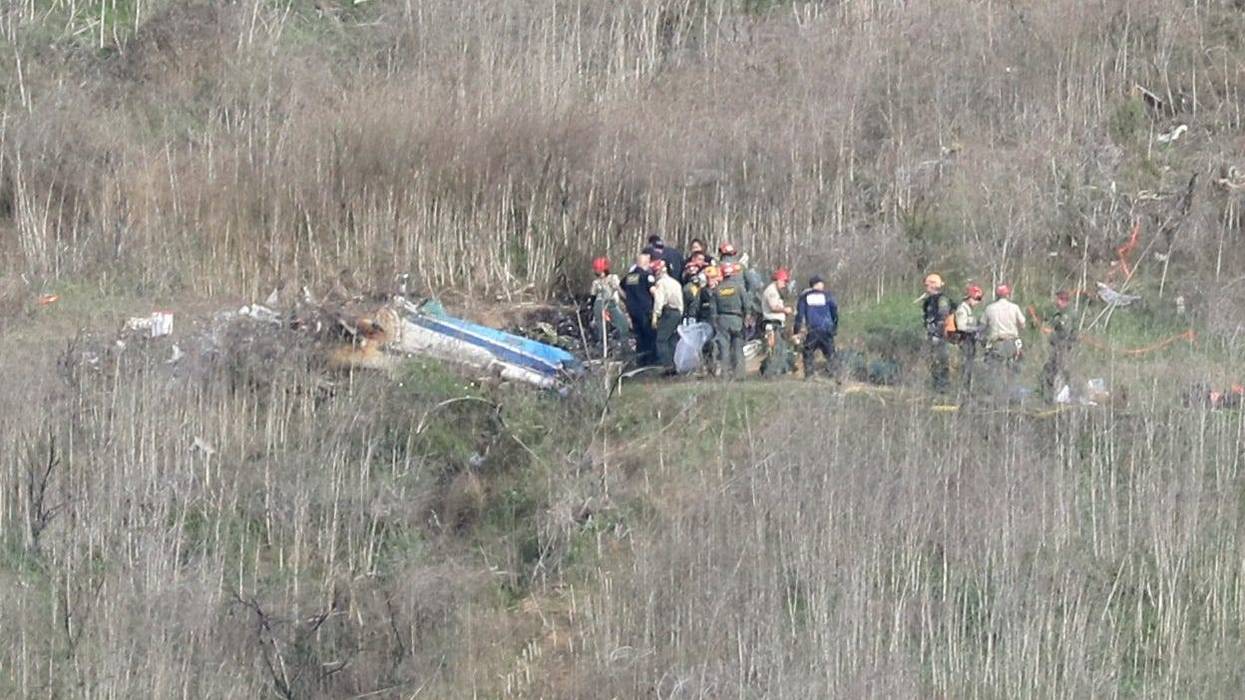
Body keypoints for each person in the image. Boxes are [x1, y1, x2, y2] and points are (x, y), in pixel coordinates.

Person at [794, 275, 839, 381]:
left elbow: (799, 315)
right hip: (826, 329)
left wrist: (796, 330)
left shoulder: (804, 297)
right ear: (818, 284)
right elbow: (835, 313)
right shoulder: (828, 296)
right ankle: (834, 375)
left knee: (808, 352)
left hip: (812, 329)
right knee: (830, 353)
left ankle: (809, 375)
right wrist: (835, 327)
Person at [982, 283, 1027, 388]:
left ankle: (996, 394)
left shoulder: (989, 308)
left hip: (996, 343)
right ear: (1008, 295)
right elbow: (1023, 324)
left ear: (997, 295)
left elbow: (982, 326)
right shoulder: (1014, 307)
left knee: (995, 371)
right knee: (1014, 370)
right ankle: (1012, 393)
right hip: (1012, 343)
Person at [708, 262, 749, 378]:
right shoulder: (739, 287)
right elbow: (746, 304)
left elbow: (713, 309)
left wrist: (715, 322)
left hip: (722, 320)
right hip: (737, 319)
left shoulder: (717, 289)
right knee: (737, 347)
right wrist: (747, 316)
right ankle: (739, 374)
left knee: (724, 347)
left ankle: (725, 375)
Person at [589, 257, 632, 358]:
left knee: (621, 325)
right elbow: (592, 297)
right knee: (608, 328)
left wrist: (627, 299)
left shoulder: (612, 278)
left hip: (608, 304)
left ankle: (619, 348)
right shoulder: (596, 282)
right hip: (602, 305)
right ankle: (606, 350)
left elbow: (618, 289)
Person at [621, 249, 657, 366]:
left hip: (633, 311)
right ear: (647, 263)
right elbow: (653, 291)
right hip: (645, 310)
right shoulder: (647, 276)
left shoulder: (630, 277)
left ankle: (640, 361)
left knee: (639, 337)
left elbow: (621, 288)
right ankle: (649, 361)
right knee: (649, 336)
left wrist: (627, 300)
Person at [1040, 290, 1077, 399]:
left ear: (1063, 301)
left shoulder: (1067, 315)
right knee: (1049, 371)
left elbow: (1065, 332)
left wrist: (1051, 332)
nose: (1056, 302)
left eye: (1059, 300)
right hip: (1057, 347)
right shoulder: (1058, 314)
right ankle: (1051, 396)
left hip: (1063, 348)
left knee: (1061, 372)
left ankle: (1064, 397)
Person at [650, 259, 685, 371]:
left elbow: (659, 301)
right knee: (672, 340)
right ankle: (676, 365)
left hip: (668, 312)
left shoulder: (661, 283)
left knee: (661, 340)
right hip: (677, 313)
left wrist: (655, 316)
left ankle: (668, 367)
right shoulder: (676, 283)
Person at [921, 273, 953, 393]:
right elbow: (926, 318)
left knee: (942, 361)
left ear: (934, 285)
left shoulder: (942, 300)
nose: (926, 287)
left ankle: (943, 388)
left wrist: (938, 334)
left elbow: (944, 318)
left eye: (928, 285)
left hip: (941, 338)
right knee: (933, 363)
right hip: (931, 337)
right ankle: (935, 386)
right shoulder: (928, 301)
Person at [760, 267, 795, 377]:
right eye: (784, 281)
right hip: (772, 324)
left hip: (777, 324)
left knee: (779, 348)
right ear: (778, 280)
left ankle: (777, 370)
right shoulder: (771, 291)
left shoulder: (775, 291)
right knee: (774, 349)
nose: (785, 284)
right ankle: (769, 372)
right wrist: (785, 310)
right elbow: (773, 307)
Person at [952, 283, 985, 390]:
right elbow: (961, 327)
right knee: (965, 367)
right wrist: (976, 329)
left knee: (969, 367)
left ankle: (967, 388)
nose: (978, 301)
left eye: (979, 299)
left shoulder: (969, 310)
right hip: (964, 342)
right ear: (969, 297)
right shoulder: (962, 309)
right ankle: (963, 389)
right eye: (976, 298)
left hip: (970, 342)